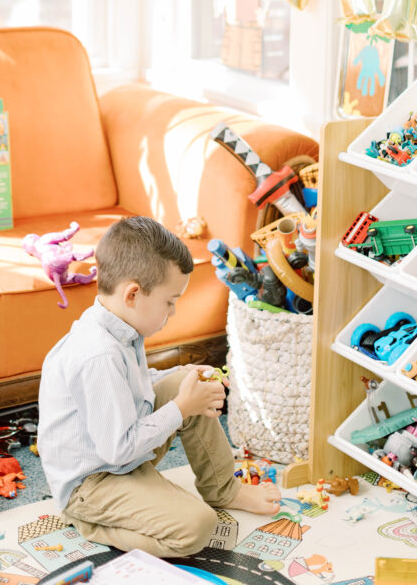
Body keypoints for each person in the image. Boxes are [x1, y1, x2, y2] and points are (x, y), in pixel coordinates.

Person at [37, 215, 281, 558]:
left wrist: (185, 376)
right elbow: (118, 450)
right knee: (197, 528)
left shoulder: (120, 327)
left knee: (188, 382)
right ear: (133, 293)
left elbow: (133, 389)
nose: (174, 312)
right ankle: (88, 522)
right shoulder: (98, 355)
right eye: (169, 301)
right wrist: (181, 407)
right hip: (92, 483)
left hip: (119, 455)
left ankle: (223, 489)